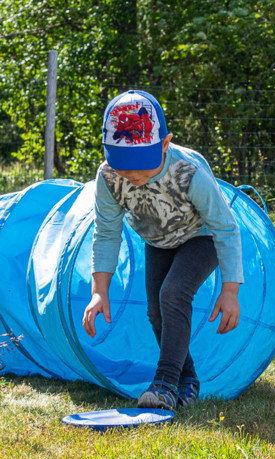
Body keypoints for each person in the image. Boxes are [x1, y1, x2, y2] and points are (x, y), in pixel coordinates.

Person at [82, 89, 243, 411]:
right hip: (158, 241)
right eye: (125, 169)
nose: (135, 177)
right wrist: (99, 291)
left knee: (173, 294)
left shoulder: (188, 171)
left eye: (142, 167)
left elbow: (226, 227)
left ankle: (165, 383)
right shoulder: (108, 177)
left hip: (202, 235)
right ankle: (188, 380)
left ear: (165, 144)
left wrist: (230, 291)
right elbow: (106, 233)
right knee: (156, 312)